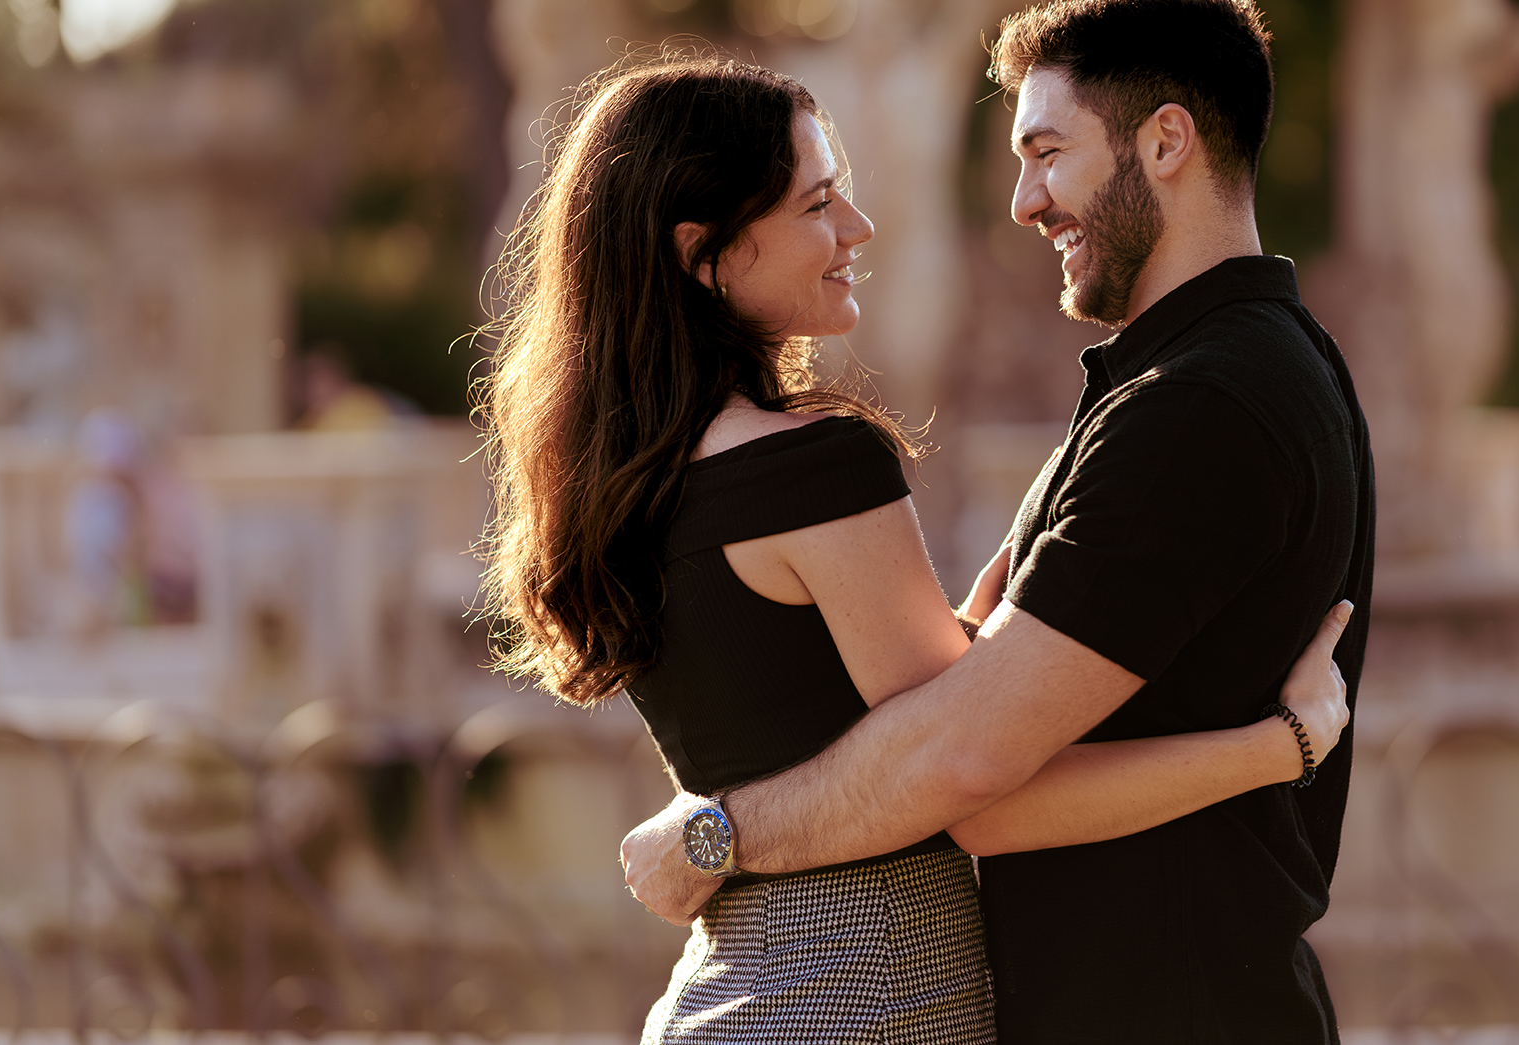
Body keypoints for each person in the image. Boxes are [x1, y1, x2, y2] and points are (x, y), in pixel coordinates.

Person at [481, 52, 1357, 1044]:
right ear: (705, 252)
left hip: (731, 992)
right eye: (816, 206)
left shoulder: (629, 475)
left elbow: (800, 712)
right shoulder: (814, 467)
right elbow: (976, 785)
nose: (854, 229)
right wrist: (1278, 746)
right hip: (867, 1001)